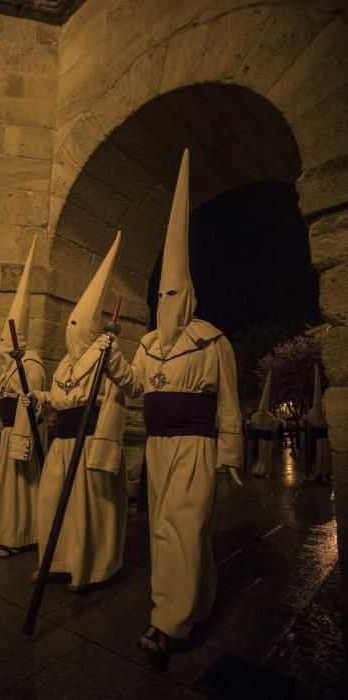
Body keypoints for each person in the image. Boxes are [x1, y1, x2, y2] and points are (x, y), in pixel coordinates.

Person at [97, 149, 243, 660]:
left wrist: (230, 455)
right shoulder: (148, 345)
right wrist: (112, 356)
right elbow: (135, 386)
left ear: (190, 297)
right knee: (168, 529)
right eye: (161, 293)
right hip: (157, 449)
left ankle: (167, 624)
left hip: (195, 447)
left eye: (175, 294)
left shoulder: (212, 343)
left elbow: (229, 405)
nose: (167, 302)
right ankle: (194, 603)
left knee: (183, 525)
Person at [27, 232, 128, 591]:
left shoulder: (106, 353)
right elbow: (60, 397)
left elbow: (124, 391)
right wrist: (39, 397)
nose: (72, 330)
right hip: (61, 443)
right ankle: (55, 560)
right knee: (52, 500)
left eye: (76, 325)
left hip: (88, 443)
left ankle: (88, 569)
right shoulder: (66, 365)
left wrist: (113, 360)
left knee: (86, 508)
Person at [0, 236, 46, 557]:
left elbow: (30, 403)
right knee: (4, 486)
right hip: (10, 433)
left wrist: (22, 439)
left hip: (20, 436)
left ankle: (19, 536)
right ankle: (10, 533)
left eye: (4, 345)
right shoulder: (13, 367)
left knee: (18, 489)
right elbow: (9, 394)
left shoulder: (31, 366)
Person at [307, 364, 333, 482]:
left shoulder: (312, 412)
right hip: (320, 437)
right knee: (321, 455)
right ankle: (322, 472)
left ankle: (322, 472)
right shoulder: (323, 412)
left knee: (322, 455)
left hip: (319, 437)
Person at [250, 371, 277, 478]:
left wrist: (263, 428)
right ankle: (258, 470)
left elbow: (273, 427)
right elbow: (252, 425)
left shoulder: (271, 418)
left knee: (266, 456)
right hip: (259, 439)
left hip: (267, 439)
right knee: (259, 455)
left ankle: (266, 471)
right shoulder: (255, 416)